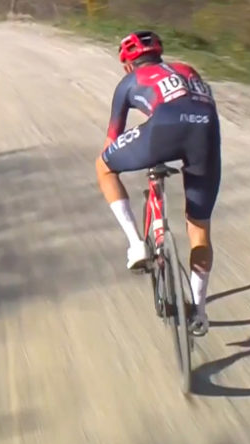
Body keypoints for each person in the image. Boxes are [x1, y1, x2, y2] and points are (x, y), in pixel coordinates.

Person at [94, 30, 221, 330]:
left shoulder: (128, 82)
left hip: (164, 129)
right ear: (160, 54)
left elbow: (112, 138)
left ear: (128, 65)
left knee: (104, 166)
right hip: (207, 132)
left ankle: (137, 244)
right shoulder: (188, 70)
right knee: (199, 230)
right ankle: (199, 313)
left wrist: (125, 149)